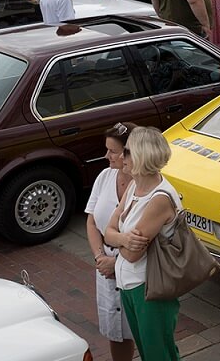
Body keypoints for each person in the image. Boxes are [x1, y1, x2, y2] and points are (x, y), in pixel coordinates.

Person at [103, 127, 182, 361]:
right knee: (148, 352)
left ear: (139, 156)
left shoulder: (159, 199)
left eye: (126, 152)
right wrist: (123, 239)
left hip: (149, 289)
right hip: (129, 285)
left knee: (159, 354)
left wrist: (117, 238)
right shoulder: (133, 187)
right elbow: (108, 233)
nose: (120, 157)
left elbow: (133, 255)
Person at [85, 122, 137, 361]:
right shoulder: (105, 176)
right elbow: (92, 222)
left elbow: (144, 238)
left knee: (141, 331)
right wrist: (100, 258)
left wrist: (114, 263)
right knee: (116, 331)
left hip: (135, 269)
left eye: (113, 151)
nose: (107, 156)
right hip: (105, 267)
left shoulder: (145, 186)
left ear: (130, 152)